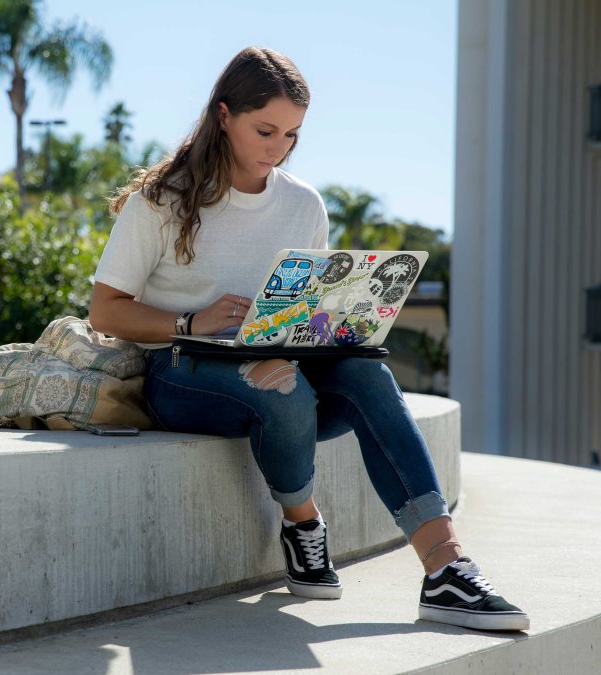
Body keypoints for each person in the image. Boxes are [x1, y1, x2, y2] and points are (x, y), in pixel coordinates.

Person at [88, 46, 529, 632]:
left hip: (282, 359)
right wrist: (190, 323)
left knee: (366, 373)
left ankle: (446, 569)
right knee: (282, 385)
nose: (278, 147)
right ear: (224, 116)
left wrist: (338, 326)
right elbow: (105, 311)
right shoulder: (161, 201)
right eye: (264, 130)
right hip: (180, 371)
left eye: (292, 134)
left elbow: (307, 309)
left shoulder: (303, 204)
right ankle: (303, 523)